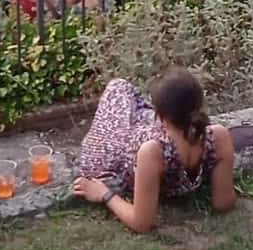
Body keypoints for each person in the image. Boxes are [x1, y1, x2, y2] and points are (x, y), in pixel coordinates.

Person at [74, 69, 235, 233]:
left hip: (118, 145)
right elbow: (224, 203)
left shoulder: (153, 152)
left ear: (160, 116)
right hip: (146, 133)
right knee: (124, 95)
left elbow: (141, 223)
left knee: (118, 86)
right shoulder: (218, 137)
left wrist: (104, 194)